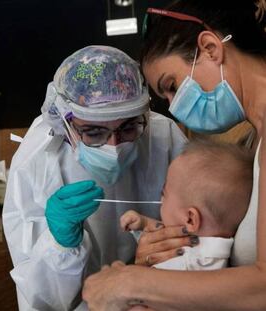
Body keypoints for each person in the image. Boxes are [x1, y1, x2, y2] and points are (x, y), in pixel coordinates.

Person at [82, 1, 266, 310]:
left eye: (171, 86)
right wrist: (179, 242)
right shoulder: (252, 142)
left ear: (209, 48)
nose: (174, 105)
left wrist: (131, 282)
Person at [2, 45, 188, 310]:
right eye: (93, 132)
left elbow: (200, 221)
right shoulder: (38, 158)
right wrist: (60, 245)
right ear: (64, 123)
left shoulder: (163, 136)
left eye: (127, 128)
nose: (114, 146)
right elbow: (41, 296)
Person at [121, 140, 253, 273]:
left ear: (190, 219)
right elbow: (178, 232)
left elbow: (139, 288)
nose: (160, 200)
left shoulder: (181, 266)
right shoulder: (213, 251)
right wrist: (144, 223)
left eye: (164, 194)